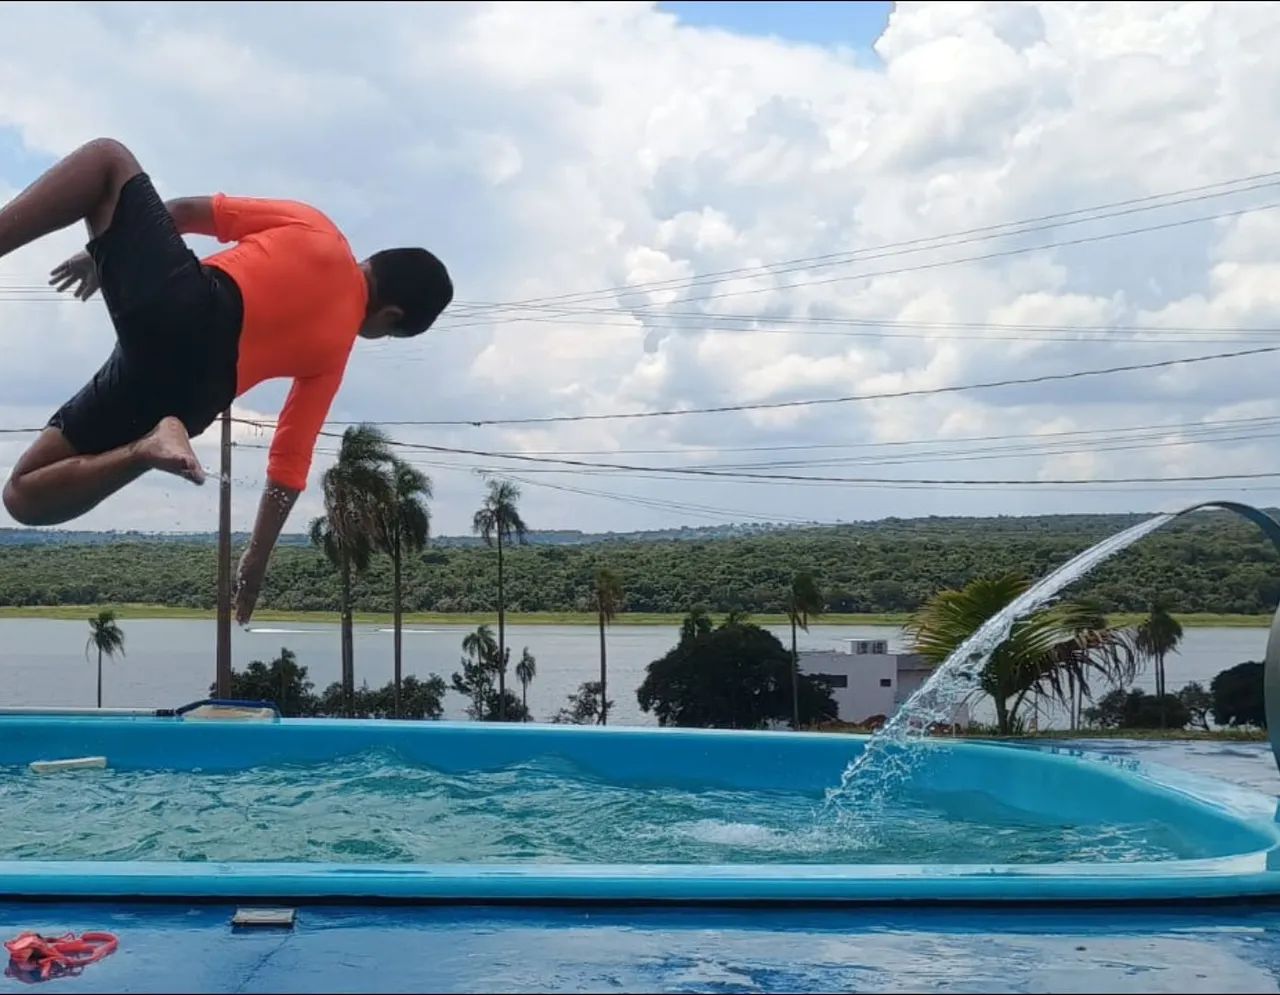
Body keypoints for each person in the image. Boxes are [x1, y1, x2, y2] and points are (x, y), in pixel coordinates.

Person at [0, 138, 452, 623]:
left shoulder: (315, 227)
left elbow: (185, 212)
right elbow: (288, 462)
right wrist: (255, 561)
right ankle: (146, 447)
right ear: (391, 316)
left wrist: (105, 250)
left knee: (107, 160)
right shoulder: (334, 356)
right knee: (23, 496)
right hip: (191, 399)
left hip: (184, 311)